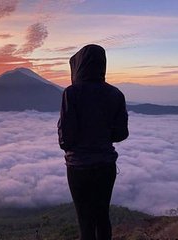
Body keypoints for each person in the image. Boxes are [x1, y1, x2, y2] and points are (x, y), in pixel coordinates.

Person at [57, 44, 129, 240]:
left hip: (78, 167)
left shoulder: (71, 93)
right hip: (106, 166)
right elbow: (121, 134)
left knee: (85, 221)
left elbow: (66, 140)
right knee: (102, 216)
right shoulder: (116, 94)